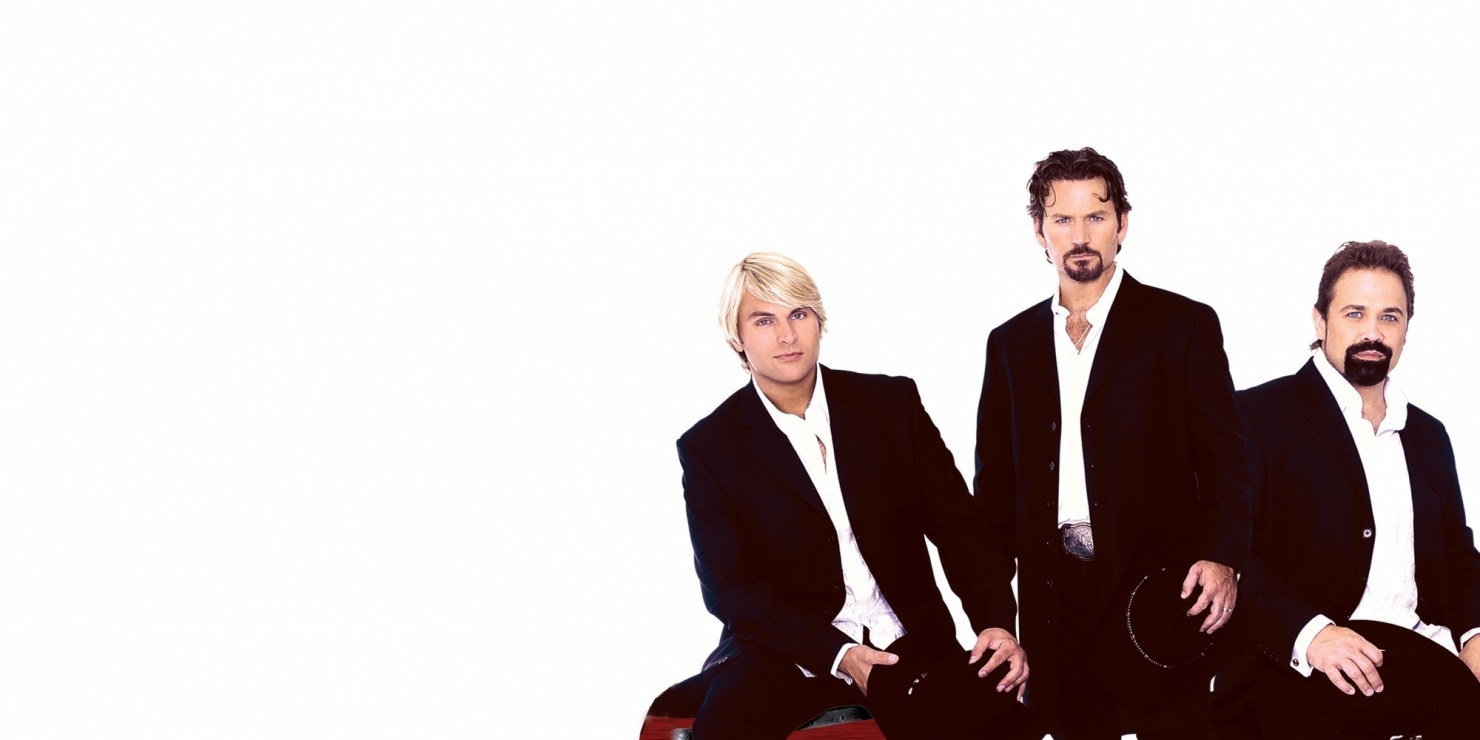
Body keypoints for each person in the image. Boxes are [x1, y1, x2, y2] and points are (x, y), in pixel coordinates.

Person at [665, 252, 1043, 739]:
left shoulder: (890, 406)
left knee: (1009, 722)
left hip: (905, 637)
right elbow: (731, 589)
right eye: (764, 320)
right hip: (784, 650)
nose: (787, 335)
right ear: (736, 337)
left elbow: (959, 527)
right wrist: (839, 654)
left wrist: (995, 621)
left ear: (819, 320)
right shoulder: (711, 447)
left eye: (798, 314)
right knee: (726, 729)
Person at [973, 147, 1251, 739]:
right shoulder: (1011, 344)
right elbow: (995, 491)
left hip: (1157, 588)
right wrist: (995, 615)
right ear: (1039, 232)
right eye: (1062, 219)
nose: (1080, 236)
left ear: (1122, 224)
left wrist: (1223, 556)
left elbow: (1227, 459)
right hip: (1052, 597)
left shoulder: (1182, 326)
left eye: (1095, 217)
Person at [1212, 240, 1480, 738]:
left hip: (1425, 661)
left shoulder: (1428, 435)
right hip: (1304, 673)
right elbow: (1230, 556)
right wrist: (1311, 634)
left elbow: (1457, 554)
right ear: (1320, 321)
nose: (1372, 333)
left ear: (1406, 329)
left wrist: (1475, 634)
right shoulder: (1254, 418)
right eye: (1355, 314)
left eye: (1389, 317)